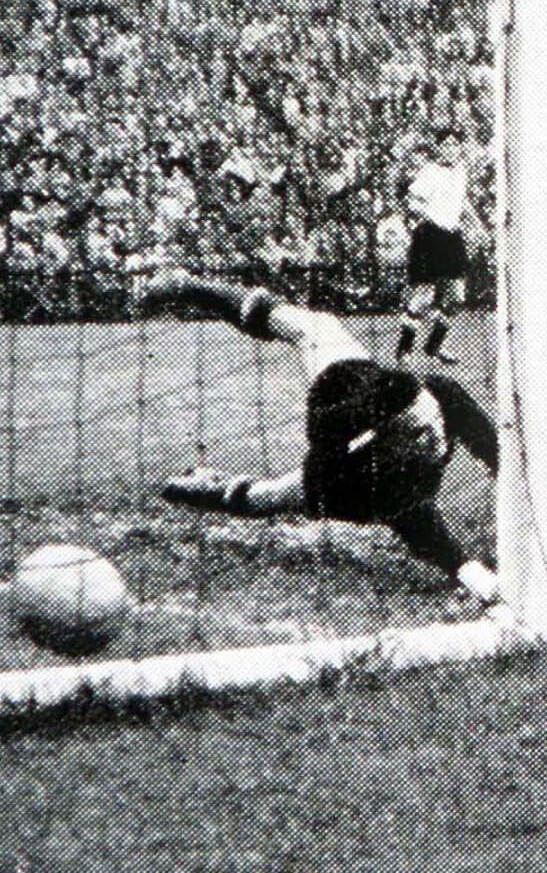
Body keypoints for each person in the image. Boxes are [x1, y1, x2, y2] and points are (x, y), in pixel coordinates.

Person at [137, 270, 506, 609]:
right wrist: (469, 571)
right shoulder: (382, 457)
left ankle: (201, 488)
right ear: (396, 434)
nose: (435, 432)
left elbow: (489, 449)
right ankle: (191, 287)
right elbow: (424, 529)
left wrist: (505, 474)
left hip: (356, 433)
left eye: (430, 419)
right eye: (420, 431)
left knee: (271, 495)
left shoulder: (433, 407)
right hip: (344, 454)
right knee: (271, 495)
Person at [397, 127, 474, 365]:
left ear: (460, 148)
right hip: (430, 235)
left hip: (452, 236)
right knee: (424, 296)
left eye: (454, 144)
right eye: (446, 145)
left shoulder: (461, 171)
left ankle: (434, 347)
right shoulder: (430, 171)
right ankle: (405, 349)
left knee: (456, 295)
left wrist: (477, 223)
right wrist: (430, 215)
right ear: (438, 148)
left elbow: (462, 201)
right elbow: (411, 200)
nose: (450, 149)